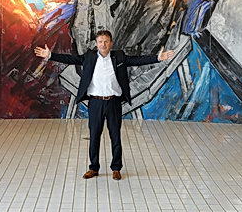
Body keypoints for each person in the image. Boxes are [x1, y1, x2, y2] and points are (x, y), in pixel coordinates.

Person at [34, 30, 175, 180]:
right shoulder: (89, 57)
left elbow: (137, 60)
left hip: (113, 102)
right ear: (96, 43)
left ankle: (116, 168)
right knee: (94, 136)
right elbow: (71, 59)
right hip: (95, 102)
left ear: (111, 43)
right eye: (100, 41)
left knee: (115, 136)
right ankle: (93, 168)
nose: (103, 44)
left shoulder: (118, 56)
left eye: (106, 41)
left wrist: (158, 58)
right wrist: (50, 55)